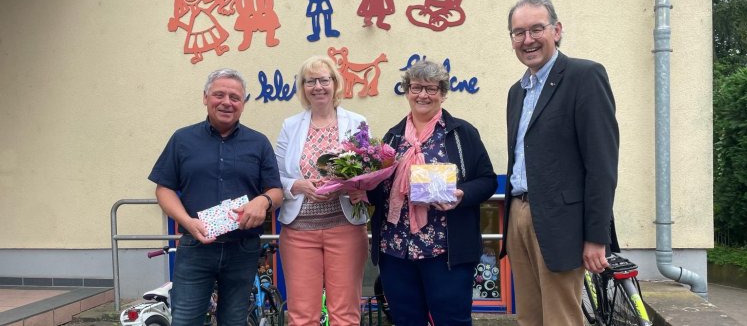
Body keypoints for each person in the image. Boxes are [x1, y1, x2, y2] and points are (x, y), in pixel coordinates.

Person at [499, 0, 620, 325]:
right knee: (529, 318)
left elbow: (602, 164)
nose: (528, 40)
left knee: (561, 318)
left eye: (536, 29)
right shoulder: (517, 91)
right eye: (518, 32)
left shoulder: (584, 77)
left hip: (562, 223)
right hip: (518, 216)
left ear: (557, 30)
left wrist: (596, 236)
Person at [148, 68, 283, 326]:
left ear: (243, 103)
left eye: (234, 97)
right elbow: (163, 189)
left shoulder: (258, 142)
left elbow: (276, 191)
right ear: (205, 98)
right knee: (186, 320)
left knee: (234, 321)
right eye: (219, 94)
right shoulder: (182, 139)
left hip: (242, 249)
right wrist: (187, 222)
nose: (226, 102)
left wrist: (263, 201)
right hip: (196, 246)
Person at [368, 60, 497, 326]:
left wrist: (461, 194)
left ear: (442, 93)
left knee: (452, 321)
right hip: (396, 252)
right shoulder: (392, 139)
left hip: (445, 252)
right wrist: (361, 191)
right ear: (407, 91)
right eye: (416, 87)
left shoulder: (462, 134)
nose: (423, 95)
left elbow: (487, 181)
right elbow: (380, 192)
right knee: (405, 321)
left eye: (431, 88)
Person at [275, 55, 369, 326]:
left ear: (335, 83)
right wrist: (297, 185)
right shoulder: (290, 126)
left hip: (345, 226)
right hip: (299, 231)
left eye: (324, 80)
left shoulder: (356, 121)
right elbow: (275, 176)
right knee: (302, 316)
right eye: (311, 81)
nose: (318, 86)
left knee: (346, 315)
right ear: (303, 87)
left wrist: (349, 184)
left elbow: (368, 169)